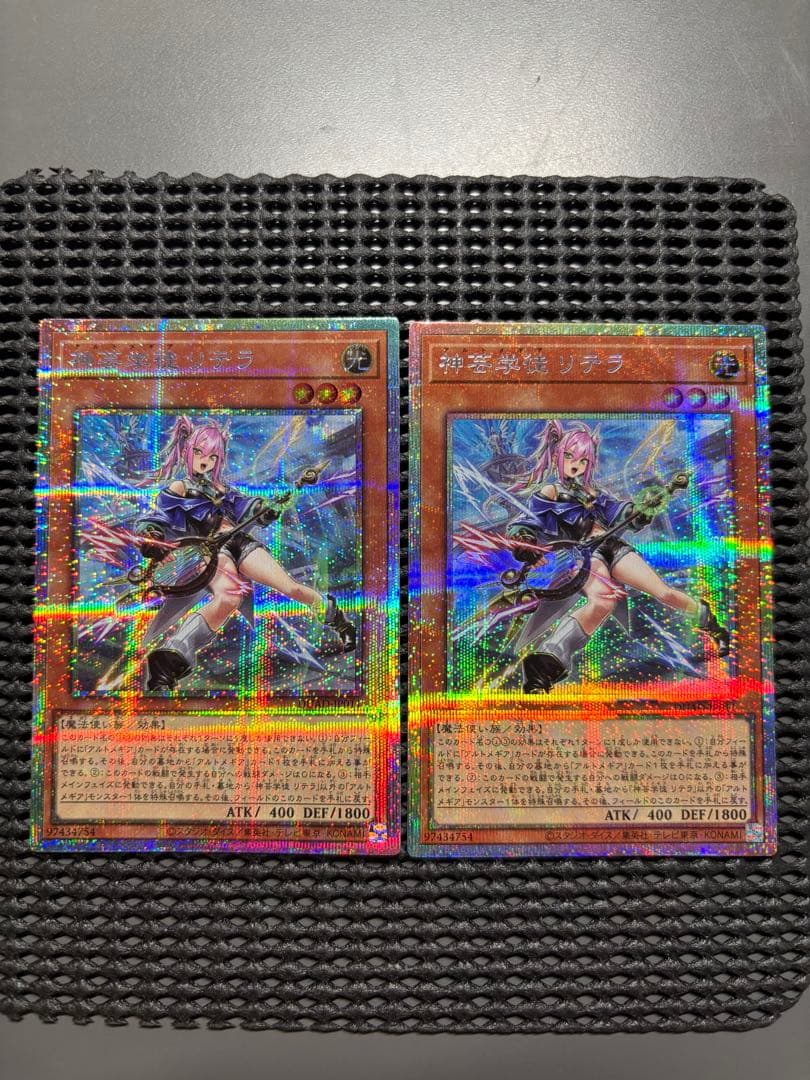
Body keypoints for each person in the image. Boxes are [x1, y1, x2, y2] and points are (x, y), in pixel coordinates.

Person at [505, 420, 729, 694]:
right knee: (602, 601)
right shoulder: (550, 492)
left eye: (583, 460)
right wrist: (526, 543)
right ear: (557, 456)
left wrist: (643, 508)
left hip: (614, 546)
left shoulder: (593, 493)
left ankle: (708, 621)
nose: (576, 465)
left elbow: (623, 515)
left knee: (664, 592)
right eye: (570, 456)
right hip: (587, 553)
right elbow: (524, 523)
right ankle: (545, 664)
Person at [135, 416, 355, 692]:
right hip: (213, 550)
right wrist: (153, 539)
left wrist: (269, 507)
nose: (205, 461)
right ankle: (170, 657)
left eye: (213, 456)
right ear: (188, 451)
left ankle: (338, 620)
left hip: (242, 543)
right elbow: (154, 520)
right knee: (228, 597)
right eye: (200, 453)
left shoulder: (222, 489)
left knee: (292, 588)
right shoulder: (179, 488)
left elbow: (251, 509)